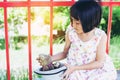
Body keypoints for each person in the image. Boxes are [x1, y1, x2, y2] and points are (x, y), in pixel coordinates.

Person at [37, 0, 117, 80]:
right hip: (74, 68)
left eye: (77, 23)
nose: (73, 25)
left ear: (89, 22)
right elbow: (65, 53)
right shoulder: (71, 32)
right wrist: (50, 58)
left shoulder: (100, 36)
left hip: (94, 69)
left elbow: (99, 62)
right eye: (72, 20)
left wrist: (75, 68)